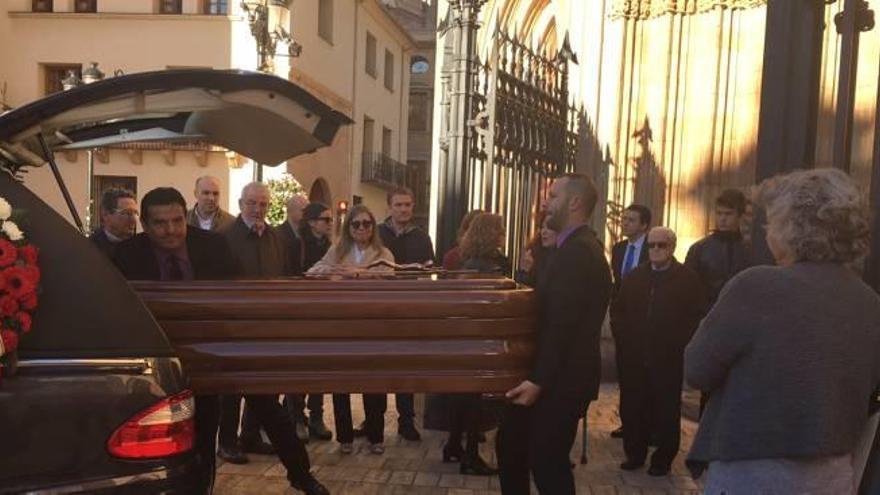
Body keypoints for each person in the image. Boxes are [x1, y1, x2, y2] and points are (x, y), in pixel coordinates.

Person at [113, 187, 329, 495]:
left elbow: (235, 293)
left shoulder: (212, 245)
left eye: (177, 220)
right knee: (201, 429)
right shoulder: (128, 254)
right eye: (161, 223)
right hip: (167, 355)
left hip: (221, 344)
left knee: (269, 408)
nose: (172, 230)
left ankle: (302, 475)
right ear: (145, 225)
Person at [685, 169, 880, 494]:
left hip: (752, 471)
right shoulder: (870, 302)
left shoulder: (755, 286)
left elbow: (696, 370)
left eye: (772, 220)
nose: (766, 230)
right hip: (834, 474)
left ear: (792, 227)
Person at [497, 173, 612, 494]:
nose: (546, 202)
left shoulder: (578, 252)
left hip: (560, 381)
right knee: (511, 447)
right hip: (551, 376)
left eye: (554, 195)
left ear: (574, 203)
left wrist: (538, 381)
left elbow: (563, 325)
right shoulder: (566, 250)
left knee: (548, 462)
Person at [610, 226, 706, 476]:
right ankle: (635, 453)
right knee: (633, 406)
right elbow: (618, 310)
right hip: (634, 356)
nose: (655, 250)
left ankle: (663, 458)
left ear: (672, 247)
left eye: (661, 245)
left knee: (665, 409)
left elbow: (695, 316)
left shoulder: (687, 279)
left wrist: (678, 342)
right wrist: (624, 339)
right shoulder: (635, 277)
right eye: (651, 245)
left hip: (668, 358)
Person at [307, 204, 393, 455]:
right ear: (349, 227)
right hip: (341, 325)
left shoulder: (383, 252)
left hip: (372, 325)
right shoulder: (338, 250)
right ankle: (345, 437)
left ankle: (376, 437)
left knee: (374, 383)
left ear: (373, 227)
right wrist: (345, 272)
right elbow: (314, 272)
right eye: (356, 224)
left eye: (367, 223)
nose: (362, 228)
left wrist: (356, 275)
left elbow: (388, 276)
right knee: (341, 381)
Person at [217, 182, 288, 464]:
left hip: (268, 322)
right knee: (233, 388)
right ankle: (227, 442)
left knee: (263, 382)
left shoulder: (276, 237)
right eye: (252, 203)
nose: (258, 209)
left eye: (263, 204)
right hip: (235, 323)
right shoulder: (224, 238)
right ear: (240, 203)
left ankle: (251, 435)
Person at [442, 213, 507, 476]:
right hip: (478, 337)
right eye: (500, 231)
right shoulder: (487, 266)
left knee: (463, 395)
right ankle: (470, 455)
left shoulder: (467, 261)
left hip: (462, 337)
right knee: (473, 399)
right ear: (492, 234)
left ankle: (453, 445)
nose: (504, 235)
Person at [377, 187, 435, 441]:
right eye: (399, 204)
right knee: (376, 366)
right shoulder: (376, 234)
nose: (404, 209)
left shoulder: (422, 238)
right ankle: (373, 420)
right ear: (389, 206)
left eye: (408, 205)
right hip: (378, 309)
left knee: (406, 365)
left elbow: (429, 272)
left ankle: (407, 421)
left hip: (409, 308)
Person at [280, 199, 334, 443]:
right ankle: (296, 418)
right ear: (312, 222)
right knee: (298, 368)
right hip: (299, 316)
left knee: (320, 368)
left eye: (331, 219)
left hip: (323, 315)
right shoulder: (295, 246)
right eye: (326, 219)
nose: (330, 224)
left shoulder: (331, 247)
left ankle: (316, 417)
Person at [608, 204, 652, 439]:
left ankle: (646, 423)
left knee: (644, 374)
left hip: (645, 319)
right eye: (624, 219)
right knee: (625, 373)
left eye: (631, 220)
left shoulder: (652, 247)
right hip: (623, 319)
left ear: (644, 225)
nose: (625, 223)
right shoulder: (618, 248)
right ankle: (628, 422)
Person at [684, 189, 751, 306]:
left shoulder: (750, 248)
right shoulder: (699, 249)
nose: (723, 219)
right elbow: (689, 287)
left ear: (740, 216)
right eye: (719, 213)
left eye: (728, 214)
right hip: (708, 312)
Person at [89, 188, 137, 258]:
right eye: (127, 213)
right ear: (105, 214)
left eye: (135, 213)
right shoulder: (90, 248)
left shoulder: (140, 247)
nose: (134, 220)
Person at [276, 194, 309, 277]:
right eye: (303, 210)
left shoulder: (307, 235)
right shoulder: (277, 234)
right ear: (290, 211)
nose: (307, 215)